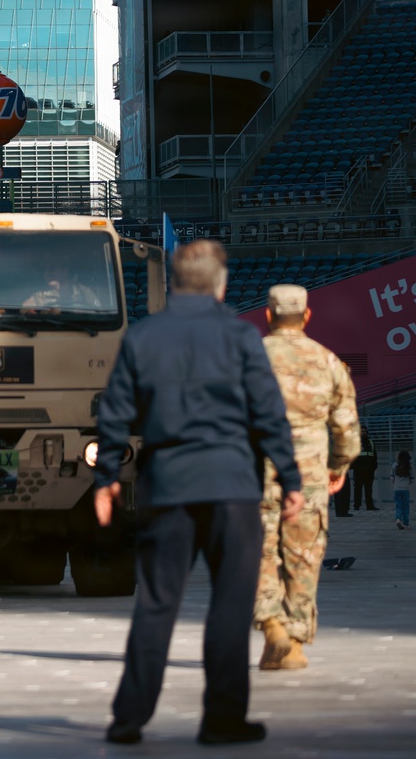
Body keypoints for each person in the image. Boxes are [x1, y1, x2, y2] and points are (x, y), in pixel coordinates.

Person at [95, 241, 302, 747]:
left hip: (167, 486)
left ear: (175, 284)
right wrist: (290, 478)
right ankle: (222, 719)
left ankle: (128, 718)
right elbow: (268, 413)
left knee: (156, 603)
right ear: (220, 287)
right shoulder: (240, 336)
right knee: (230, 605)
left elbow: (115, 410)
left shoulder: (142, 337)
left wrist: (107, 477)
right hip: (232, 486)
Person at [255, 284, 360, 674]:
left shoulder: (248, 359)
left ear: (268, 315)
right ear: (307, 316)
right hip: (310, 479)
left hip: (256, 475)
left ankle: (271, 625)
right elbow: (347, 430)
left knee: (259, 554)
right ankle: (295, 644)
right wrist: (337, 468)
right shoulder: (328, 361)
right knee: (303, 558)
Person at [21, 263, 99, 312]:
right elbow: (23, 312)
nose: (48, 272)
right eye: (45, 269)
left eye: (52, 268)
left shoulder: (83, 292)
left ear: (65, 271)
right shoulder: (40, 296)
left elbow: (99, 314)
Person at [352, 426, 379, 510]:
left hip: (369, 469)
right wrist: (355, 466)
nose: (363, 433)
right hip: (358, 469)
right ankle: (357, 505)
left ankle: (370, 506)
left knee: (369, 488)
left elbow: (374, 455)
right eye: (362, 431)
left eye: (365, 431)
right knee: (358, 488)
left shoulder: (371, 442)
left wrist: (374, 466)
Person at [391, 449, 414, 528]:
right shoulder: (409, 466)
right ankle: (406, 523)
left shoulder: (394, 465)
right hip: (405, 489)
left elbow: (392, 477)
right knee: (405, 506)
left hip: (396, 489)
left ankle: (398, 519)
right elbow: (412, 478)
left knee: (398, 505)